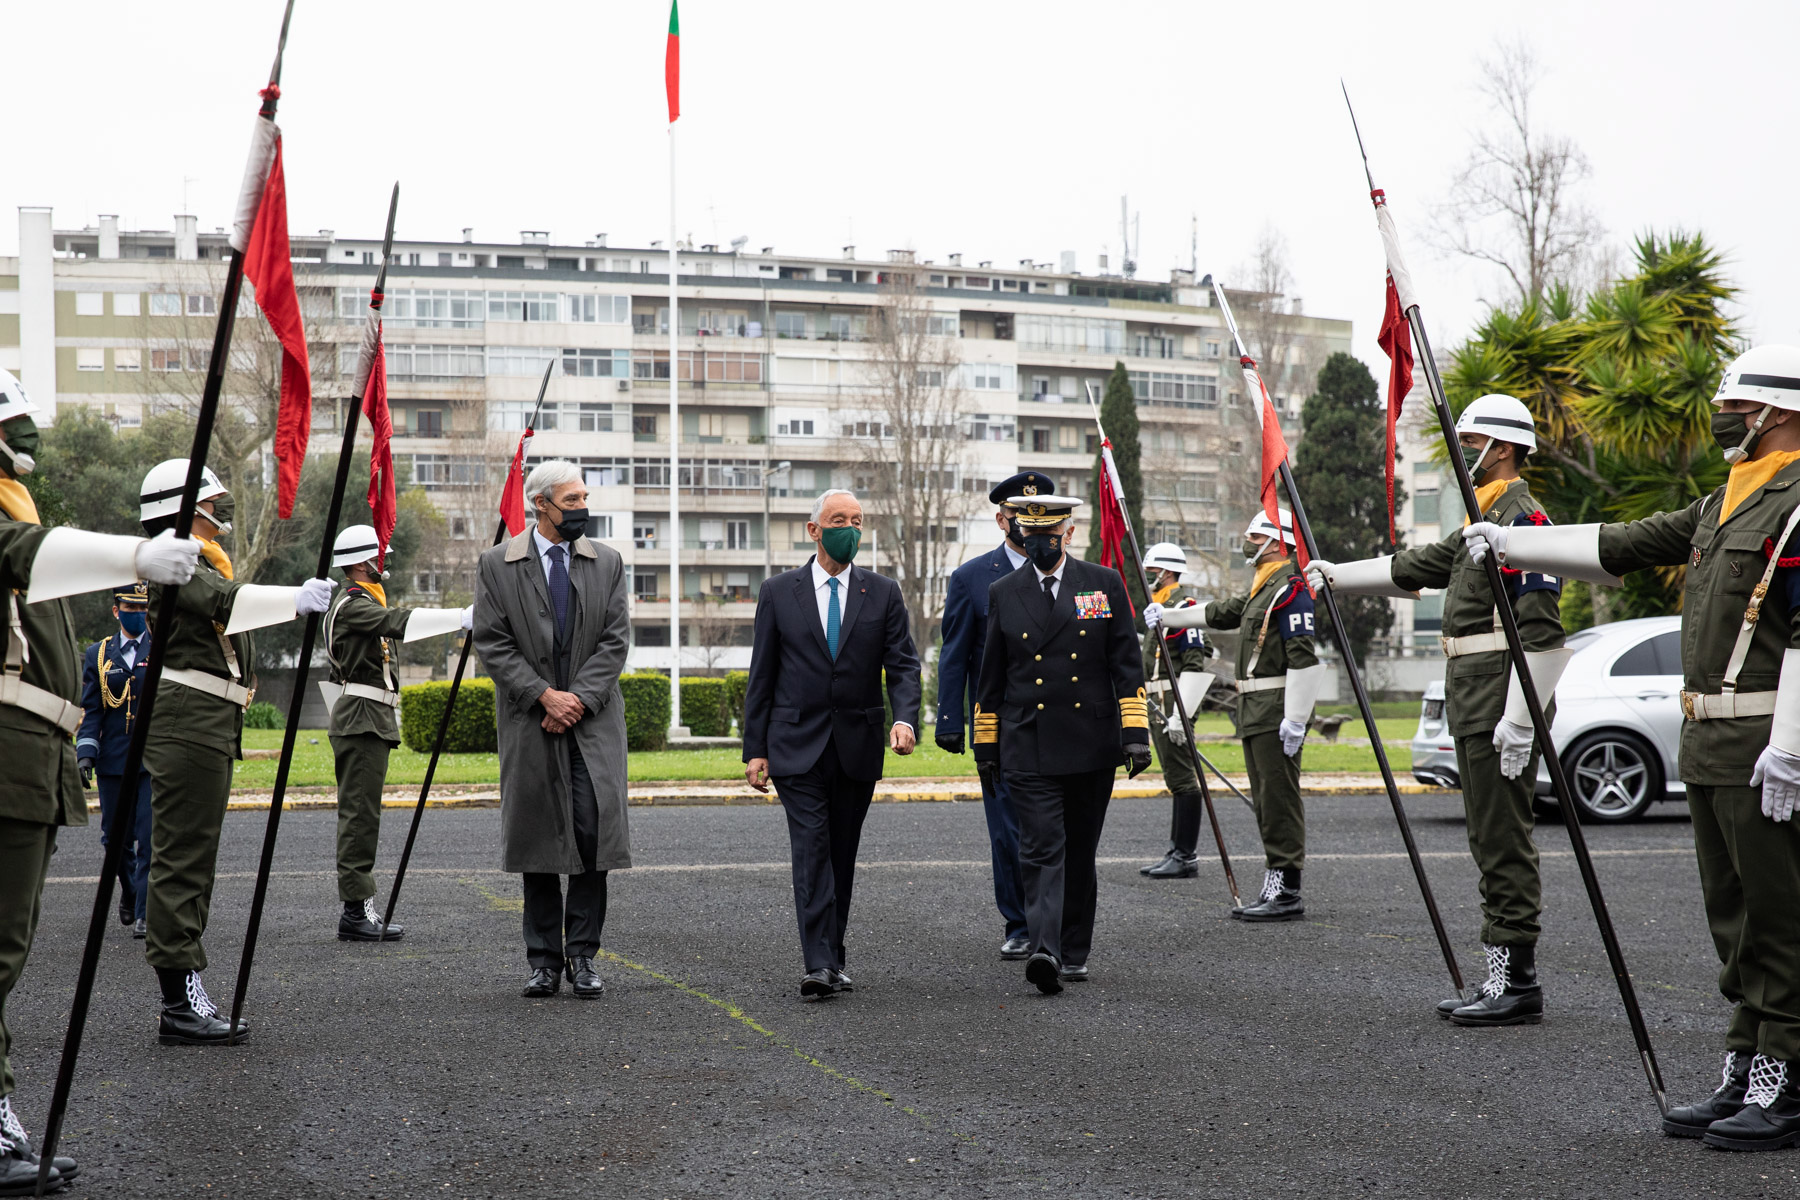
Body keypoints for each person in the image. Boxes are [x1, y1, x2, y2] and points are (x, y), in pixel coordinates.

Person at [1457, 348, 1800, 1147]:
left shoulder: (1795, 503)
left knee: (1779, 916)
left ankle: (1785, 1077)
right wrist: (1511, 546)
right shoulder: (1722, 501)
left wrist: (1790, 746)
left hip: (1763, 737)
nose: (1726, 420)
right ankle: (1746, 1064)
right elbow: (1622, 541)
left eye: (1736, 408)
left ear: (1778, 414)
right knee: (1733, 917)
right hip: (1708, 737)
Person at [1306, 393, 1565, 1026]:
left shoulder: (1522, 522)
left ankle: (1516, 980)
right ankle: (1501, 974)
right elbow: (1416, 566)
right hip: (1474, 690)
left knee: (1502, 838)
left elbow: (1544, 635)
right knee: (1486, 834)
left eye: (1472, 443)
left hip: (1500, 694)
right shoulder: (1482, 521)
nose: (1464, 455)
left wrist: (1520, 718)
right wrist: (1337, 575)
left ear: (1502, 448)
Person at [0, 368, 199, 1192]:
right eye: (14, 417)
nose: (26, 433)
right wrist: (131, 553)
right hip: (9, 748)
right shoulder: (15, 529)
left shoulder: (19, 510)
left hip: (31, 750)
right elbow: (20, 555)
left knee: (7, 948)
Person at [137, 457, 336, 1046]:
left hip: (207, 716)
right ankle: (179, 998)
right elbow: (228, 604)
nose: (221, 511)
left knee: (194, 857)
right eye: (211, 502)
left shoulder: (200, 560)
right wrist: (291, 599)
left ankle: (185, 986)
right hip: (188, 716)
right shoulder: (178, 561)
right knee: (183, 859)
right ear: (183, 508)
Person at [742, 489, 921, 1000]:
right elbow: (763, 674)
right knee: (812, 850)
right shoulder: (779, 592)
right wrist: (756, 748)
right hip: (795, 745)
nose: (850, 528)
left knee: (841, 853)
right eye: (838, 519)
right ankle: (818, 963)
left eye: (857, 520)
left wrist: (904, 718)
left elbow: (902, 664)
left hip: (858, 745)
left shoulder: (882, 592)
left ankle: (833, 954)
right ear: (813, 529)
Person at [973, 493, 1151, 994]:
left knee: (1079, 851)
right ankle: (1045, 950)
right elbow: (991, 678)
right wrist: (986, 745)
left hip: (1090, 743)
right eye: (1030, 539)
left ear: (1067, 535)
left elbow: (1126, 666)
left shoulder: (1102, 584)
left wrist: (1135, 736)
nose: (1039, 547)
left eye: (1048, 539)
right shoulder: (1004, 591)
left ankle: (1074, 950)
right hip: (1027, 742)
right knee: (1041, 847)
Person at [474, 461, 632, 999]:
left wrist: (577, 700)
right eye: (572, 500)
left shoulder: (607, 561)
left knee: (593, 836)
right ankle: (543, 960)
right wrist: (543, 695)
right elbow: (493, 642)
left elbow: (615, 641)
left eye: (585, 497)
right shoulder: (497, 564)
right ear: (540, 503)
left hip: (593, 721)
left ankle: (583, 957)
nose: (582, 509)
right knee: (537, 838)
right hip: (530, 719)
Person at [1150, 510, 1321, 920]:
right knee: (1265, 799)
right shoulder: (1263, 590)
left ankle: (1286, 889)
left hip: (1274, 707)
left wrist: (1297, 717)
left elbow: (1303, 658)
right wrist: (1169, 617)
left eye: (1252, 534)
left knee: (1278, 799)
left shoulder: (1289, 589)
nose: (1245, 540)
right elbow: (1219, 612)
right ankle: (1275, 882)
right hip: (1254, 708)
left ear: (1276, 542)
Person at [321, 525, 470, 942]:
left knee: (364, 815)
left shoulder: (362, 600)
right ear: (359, 563)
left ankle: (358, 905)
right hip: (362, 718)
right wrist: (457, 619)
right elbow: (395, 622)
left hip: (369, 717)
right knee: (359, 818)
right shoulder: (354, 604)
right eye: (376, 557)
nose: (382, 563)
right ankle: (355, 909)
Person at [934, 472, 1051, 959]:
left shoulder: (1074, 574)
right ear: (1001, 519)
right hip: (997, 724)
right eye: (1018, 515)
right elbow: (955, 654)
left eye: (1037, 515)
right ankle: (1020, 921)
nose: (1027, 524)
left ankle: (1055, 918)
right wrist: (948, 721)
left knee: (1056, 826)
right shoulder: (971, 577)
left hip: (1059, 722)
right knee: (1008, 827)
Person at [76, 581, 156, 939]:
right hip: (112, 761)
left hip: (151, 761)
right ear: (116, 611)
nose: (137, 615)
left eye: (142, 609)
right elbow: (91, 710)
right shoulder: (98, 654)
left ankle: (144, 912)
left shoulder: (161, 650)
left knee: (149, 837)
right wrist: (86, 752)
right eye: (130, 609)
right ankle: (130, 889)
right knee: (114, 840)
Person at [1133, 542, 1216, 880]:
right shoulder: (1161, 607)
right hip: (1159, 701)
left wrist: (1183, 713)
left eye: (1152, 573)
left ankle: (1185, 855)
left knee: (1182, 776)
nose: (1149, 579)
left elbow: (1196, 658)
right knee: (1174, 776)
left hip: (1175, 701)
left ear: (1165, 572)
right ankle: (1176, 851)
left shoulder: (1184, 607)